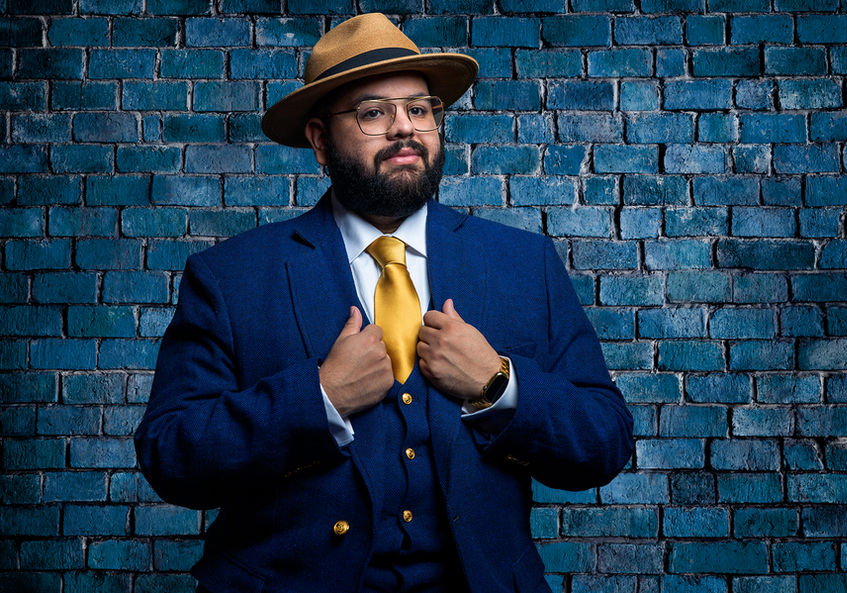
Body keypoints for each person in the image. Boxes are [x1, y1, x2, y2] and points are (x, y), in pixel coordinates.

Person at [135, 13, 634, 593]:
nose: (405, 128)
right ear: (320, 140)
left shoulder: (524, 263)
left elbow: (605, 443)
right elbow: (171, 458)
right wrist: (319, 399)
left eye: (420, 110)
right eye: (374, 112)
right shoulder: (231, 276)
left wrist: (499, 385)